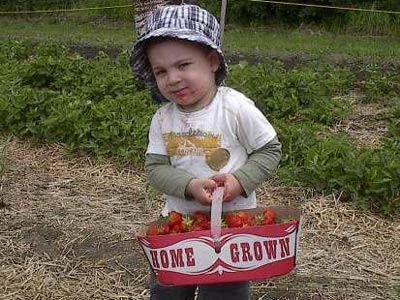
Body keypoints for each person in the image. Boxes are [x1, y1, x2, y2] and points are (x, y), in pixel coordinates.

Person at [130, 4, 282, 300]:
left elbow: (269, 150)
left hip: (232, 230)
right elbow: (156, 168)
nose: (172, 78)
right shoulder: (163, 118)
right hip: (177, 227)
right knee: (168, 292)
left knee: (225, 294)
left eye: (183, 65)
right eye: (161, 71)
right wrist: (188, 186)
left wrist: (239, 181)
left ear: (212, 61)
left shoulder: (235, 107)